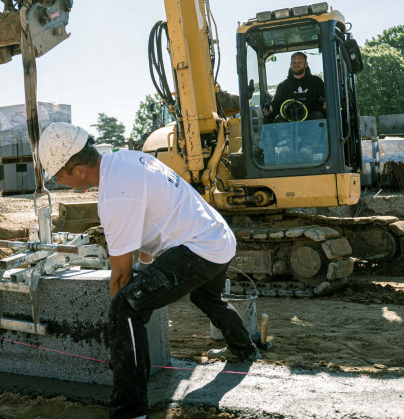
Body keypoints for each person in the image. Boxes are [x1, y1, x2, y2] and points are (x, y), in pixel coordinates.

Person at [38, 123, 259, 419]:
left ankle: (130, 410)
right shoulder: (126, 159)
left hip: (199, 248)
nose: (61, 184)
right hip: (217, 236)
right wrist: (144, 273)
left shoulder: (114, 194)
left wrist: (119, 336)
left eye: (61, 177)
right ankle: (244, 349)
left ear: (79, 170)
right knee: (206, 298)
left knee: (125, 308)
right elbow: (147, 231)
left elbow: (119, 279)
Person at [263, 52, 326, 122]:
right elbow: (275, 104)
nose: (296, 64)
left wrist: (325, 104)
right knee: (279, 119)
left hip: (311, 118)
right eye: (294, 62)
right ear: (290, 65)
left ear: (306, 64)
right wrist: (269, 110)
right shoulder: (283, 85)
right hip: (289, 119)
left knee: (318, 115)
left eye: (299, 62)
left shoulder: (316, 82)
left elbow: (324, 99)